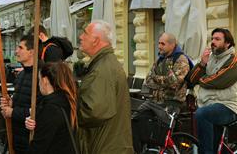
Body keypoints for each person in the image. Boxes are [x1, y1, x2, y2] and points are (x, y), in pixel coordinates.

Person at [77, 20, 133, 154]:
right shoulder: (103, 64)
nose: (80, 37)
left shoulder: (102, 69)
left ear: (95, 40)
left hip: (105, 146)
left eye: (85, 33)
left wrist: (70, 109)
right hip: (110, 144)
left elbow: (94, 112)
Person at [132, 32, 192, 152]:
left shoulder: (181, 60)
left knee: (161, 135)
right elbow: (148, 81)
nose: (159, 46)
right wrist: (164, 80)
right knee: (134, 121)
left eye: (162, 44)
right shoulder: (160, 59)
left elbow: (174, 83)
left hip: (171, 103)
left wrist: (157, 79)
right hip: (153, 101)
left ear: (172, 45)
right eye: (159, 43)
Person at [186, 28, 237, 154]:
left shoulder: (233, 60)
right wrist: (202, 64)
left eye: (217, 39)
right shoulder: (209, 58)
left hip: (227, 106)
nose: (213, 42)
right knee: (216, 147)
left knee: (201, 114)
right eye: (212, 39)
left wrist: (201, 80)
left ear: (227, 43)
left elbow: (219, 81)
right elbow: (190, 81)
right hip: (208, 104)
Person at [0, 34, 42, 154]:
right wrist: (10, 103)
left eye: (20, 48)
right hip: (17, 137)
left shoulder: (42, 75)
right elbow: (22, 100)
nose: (16, 51)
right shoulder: (22, 75)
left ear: (31, 52)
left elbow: (41, 109)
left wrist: (12, 112)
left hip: (31, 139)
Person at [25, 62, 77, 154]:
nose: (39, 83)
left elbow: (39, 146)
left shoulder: (51, 109)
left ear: (44, 80)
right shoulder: (67, 100)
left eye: (39, 79)